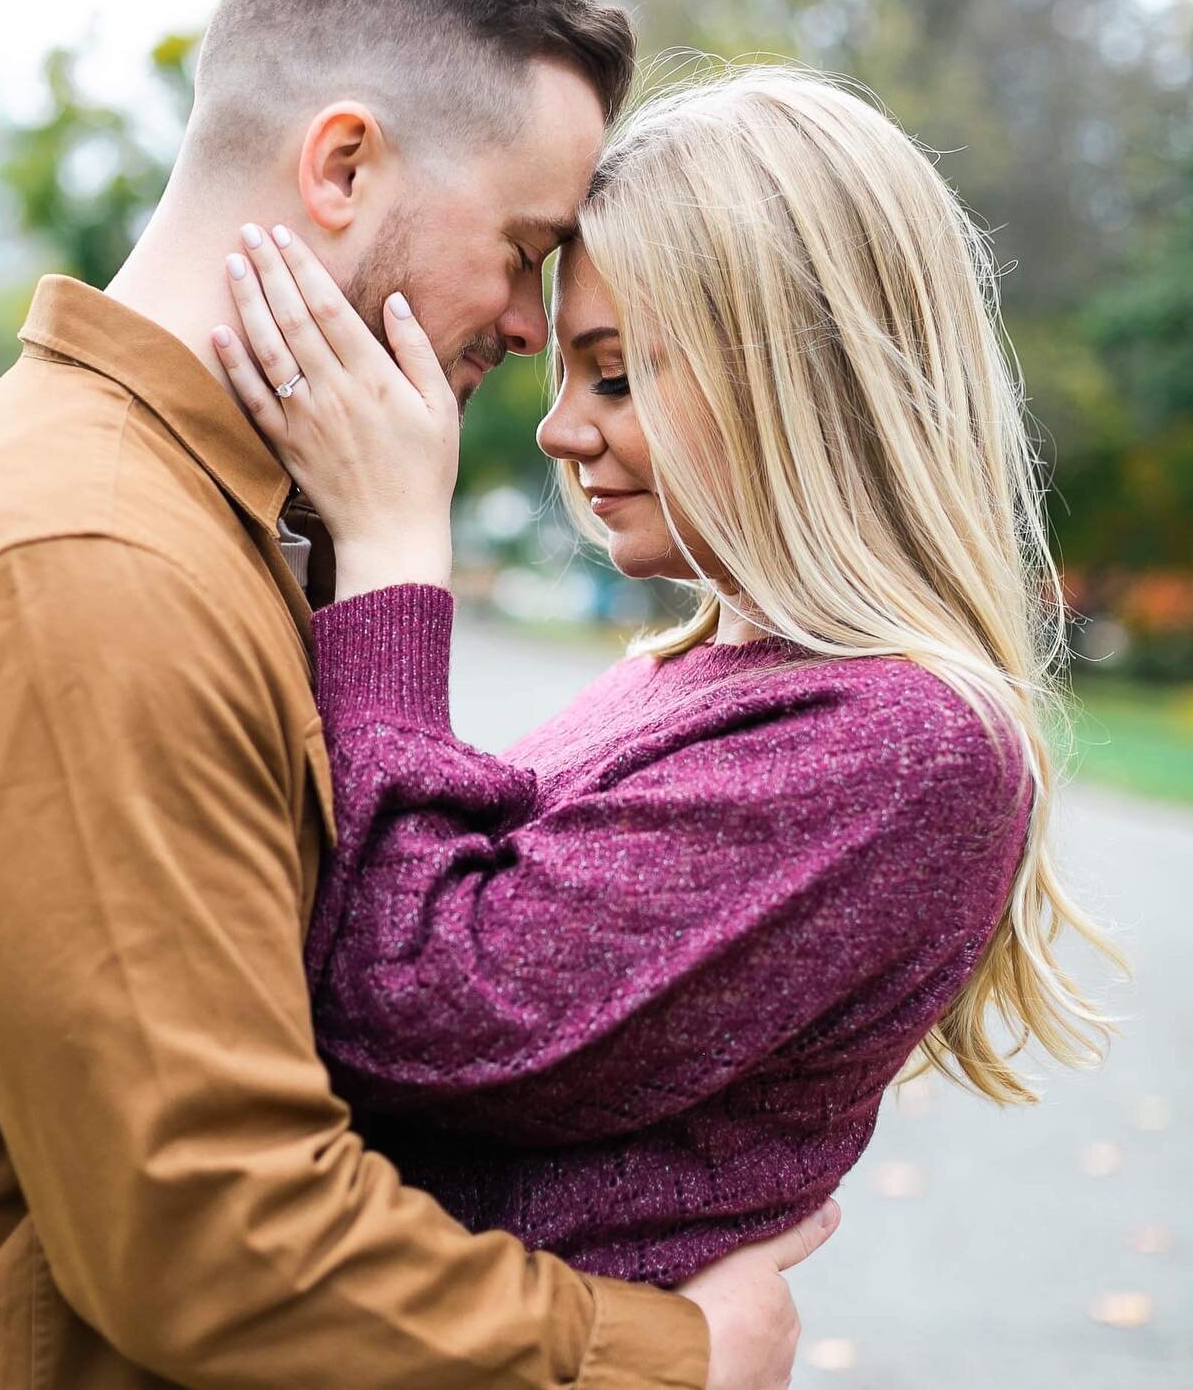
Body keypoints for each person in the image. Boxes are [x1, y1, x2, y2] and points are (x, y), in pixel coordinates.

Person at [0, 0, 835, 1389]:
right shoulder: (91, 565)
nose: (530, 322)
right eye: (522, 249)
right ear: (342, 167)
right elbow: (213, 1233)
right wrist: (662, 1356)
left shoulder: (203, 523)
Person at [210, 64, 1121, 1282]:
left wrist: (388, 554)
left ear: (803, 380)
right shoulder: (702, 674)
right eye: (572, 372)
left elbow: (414, 1002)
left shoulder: (905, 743)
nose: (559, 428)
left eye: (620, 375)